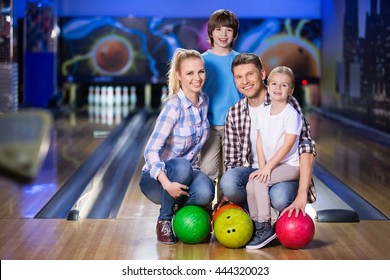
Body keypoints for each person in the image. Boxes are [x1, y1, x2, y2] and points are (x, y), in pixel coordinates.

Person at [220, 53, 317, 246]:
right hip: (259, 168)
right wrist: (227, 196)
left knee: (279, 197)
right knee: (229, 182)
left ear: (262, 74)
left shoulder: (286, 104)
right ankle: (257, 220)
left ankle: (265, 224)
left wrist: (301, 194)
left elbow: (305, 148)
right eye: (239, 77)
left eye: (250, 74)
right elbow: (232, 161)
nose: (245, 81)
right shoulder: (235, 112)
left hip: (285, 170)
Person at [139, 48, 214, 245]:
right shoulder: (173, 108)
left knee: (207, 191)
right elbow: (150, 151)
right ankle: (164, 219)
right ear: (179, 76)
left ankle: (177, 210)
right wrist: (167, 184)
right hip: (156, 179)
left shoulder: (204, 101)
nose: (197, 78)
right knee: (181, 165)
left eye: (200, 71)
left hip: (187, 175)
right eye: (190, 73)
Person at [245, 66, 302, 250]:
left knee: (261, 183)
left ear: (291, 91)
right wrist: (262, 167)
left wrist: (268, 168)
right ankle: (256, 225)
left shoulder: (292, 115)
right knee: (251, 183)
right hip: (270, 164)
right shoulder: (263, 112)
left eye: (284, 85)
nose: (278, 88)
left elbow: (287, 146)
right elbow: (260, 142)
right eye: (274, 84)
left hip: (290, 165)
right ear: (267, 87)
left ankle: (266, 226)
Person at [199, 9, 242, 201]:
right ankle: (204, 209)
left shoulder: (239, 60)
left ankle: (224, 211)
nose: (223, 34)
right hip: (209, 125)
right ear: (210, 33)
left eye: (228, 30)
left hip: (235, 127)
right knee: (207, 170)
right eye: (218, 29)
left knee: (229, 175)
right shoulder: (202, 60)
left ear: (235, 34)